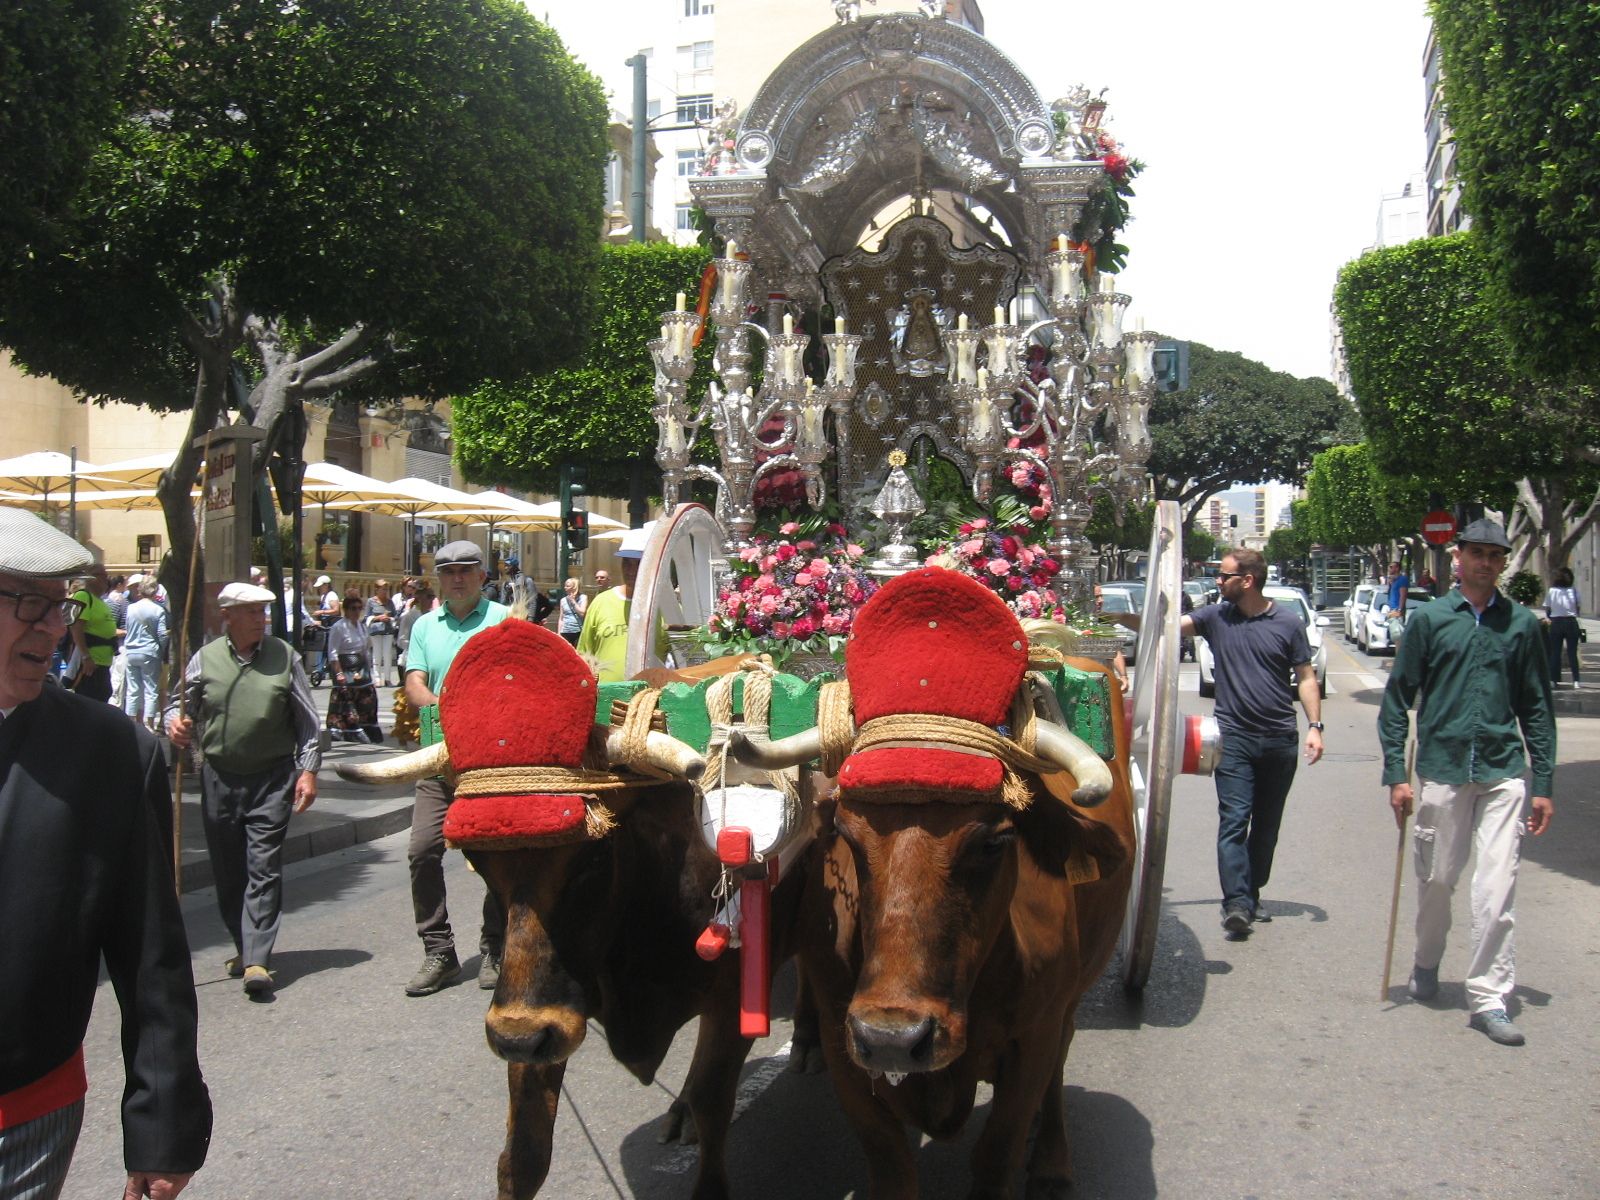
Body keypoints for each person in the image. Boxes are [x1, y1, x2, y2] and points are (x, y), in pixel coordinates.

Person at [0, 507, 210, 1199]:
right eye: (32, 605)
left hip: (26, 1112)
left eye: (60, 608)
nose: (56, 629)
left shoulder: (112, 753)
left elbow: (149, 954)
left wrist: (163, 1125)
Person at [1379, 519, 1555, 1046]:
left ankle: (1488, 997)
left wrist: (1542, 781)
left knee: (1496, 888)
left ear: (1503, 563)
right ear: (1458, 557)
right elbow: (1397, 701)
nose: (1485, 562)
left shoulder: (1521, 625)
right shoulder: (1430, 620)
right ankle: (1426, 960)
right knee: (1438, 880)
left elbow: (1537, 707)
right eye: (1476, 553)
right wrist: (1396, 774)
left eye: (1494, 556)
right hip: (1443, 767)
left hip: (1502, 770)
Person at [166, 582, 320, 997]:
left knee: (263, 867)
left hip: (272, 778)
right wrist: (175, 726)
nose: (260, 619)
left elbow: (307, 719)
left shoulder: (283, 657)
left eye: (263, 611)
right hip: (220, 777)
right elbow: (176, 706)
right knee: (228, 871)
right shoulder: (205, 659)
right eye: (250, 612)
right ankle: (243, 944)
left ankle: (257, 959)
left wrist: (307, 771)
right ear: (227, 617)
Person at [1183, 547, 1323, 936]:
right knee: (1233, 820)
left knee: (1266, 826)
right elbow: (1165, 627)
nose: (1218, 581)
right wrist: (1116, 617)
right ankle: (1237, 905)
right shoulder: (1215, 617)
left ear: (1247, 580)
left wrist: (1316, 726)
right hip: (1233, 738)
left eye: (1224, 576)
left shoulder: (1288, 622)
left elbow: (1306, 677)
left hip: (1280, 739)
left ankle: (1252, 892)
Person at [401, 542, 510, 995]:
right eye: (448, 572)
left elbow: (516, 678)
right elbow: (414, 682)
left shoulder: (504, 619)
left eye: (466, 570)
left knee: (495, 857)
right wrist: (446, 709)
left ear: (481, 575)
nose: (457, 579)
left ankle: (495, 945)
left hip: (491, 762)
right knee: (422, 850)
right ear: (439, 579)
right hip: (439, 759)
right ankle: (438, 951)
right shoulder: (425, 625)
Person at [576, 529, 666, 682]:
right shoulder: (600, 603)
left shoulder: (664, 608)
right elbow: (583, 655)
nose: (631, 570)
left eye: (638, 564)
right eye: (627, 563)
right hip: (605, 699)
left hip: (649, 699)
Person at [327, 593, 383, 743]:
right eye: (353, 608)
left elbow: (365, 649)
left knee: (369, 698)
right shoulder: (338, 627)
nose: (356, 611)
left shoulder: (362, 626)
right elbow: (333, 653)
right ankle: (347, 730)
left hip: (361, 668)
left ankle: (367, 728)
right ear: (345, 609)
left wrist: (369, 670)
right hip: (345, 666)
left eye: (359, 608)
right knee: (346, 699)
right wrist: (338, 673)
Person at [121, 576, 169, 732]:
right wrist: (161, 649)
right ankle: (149, 725)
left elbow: (128, 627)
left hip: (131, 651)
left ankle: (131, 722)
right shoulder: (158, 609)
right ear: (154, 590)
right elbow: (162, 634)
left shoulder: (131, 608)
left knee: (133, 689)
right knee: (151, 689)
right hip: (150, 652)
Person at [67, 566, 118, 701]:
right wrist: (86, 657)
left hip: (103, 664)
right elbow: (76, 627)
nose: (106, 580)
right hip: (89, 665)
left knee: (103, 696)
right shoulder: (83, 596)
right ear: (92, 577)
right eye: (103, 576)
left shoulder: (101, 601)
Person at [1543, 566, 1582, 687]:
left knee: (1555, 652)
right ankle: (1576, 681)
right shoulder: (1574, 591)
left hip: (1556, 622)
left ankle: (1553, 680)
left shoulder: (1552, 591)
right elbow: (1578, 608)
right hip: (1571, 622)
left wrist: (1551, 617)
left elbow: (1547, 608)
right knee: (1572, 652)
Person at [363, 578, 399, 687]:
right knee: (377, 654)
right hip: (376, 630)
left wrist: (389, 618)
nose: (385, 591)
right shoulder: (371, 601)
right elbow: (366, 617)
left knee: (387, 654)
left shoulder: (389, 602)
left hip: (388, 630)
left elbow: (395, 615)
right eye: (383, 589)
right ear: (377, 589)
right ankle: (377, 678)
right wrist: (378, 617)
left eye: (386, 589)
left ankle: (388, 679)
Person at [557, 576, 587, 646]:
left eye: (567, 586)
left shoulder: (583, 597)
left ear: (574, 587)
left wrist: (573, 602)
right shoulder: (563, 600)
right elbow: (561, 618)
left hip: (578, 631)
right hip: (565, 631)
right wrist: (559, 633)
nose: (565, 588)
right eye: (565, 586)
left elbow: (582, 613)